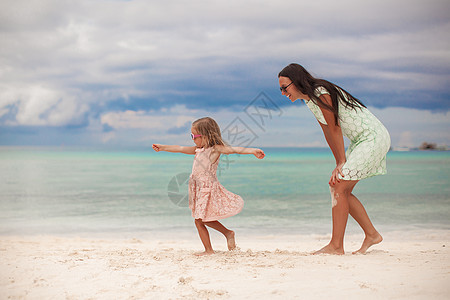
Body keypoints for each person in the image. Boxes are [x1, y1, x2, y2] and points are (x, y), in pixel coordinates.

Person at [278, 63, 391, 255]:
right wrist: (338, 161)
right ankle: (371, 235)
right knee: (338, 186)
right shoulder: (309, 100)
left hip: (373, 138)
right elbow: (327, 131)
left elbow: (335, 127)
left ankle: (336, 246)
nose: (282, 92)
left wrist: (341, 162)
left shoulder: (321, 92)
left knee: (339, 186)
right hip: (360, 140)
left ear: (296, 81)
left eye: (284, 87)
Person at [153, 117, 265, 255]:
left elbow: (233, 150)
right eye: (191, 135)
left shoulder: (214, 150)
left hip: (207, 189)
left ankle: (209, 249)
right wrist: (163, 147)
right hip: (197, 189)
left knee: (199, 220)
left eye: (194, 136)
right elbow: (180, 148)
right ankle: (227, 234)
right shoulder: (197, 150)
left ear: (205, 135)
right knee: (203, 219)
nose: (192, 139)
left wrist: (253, 151)